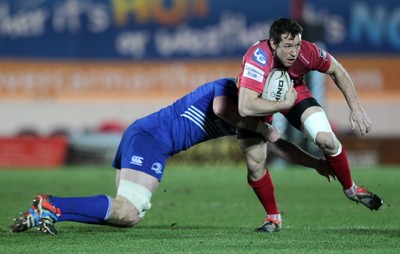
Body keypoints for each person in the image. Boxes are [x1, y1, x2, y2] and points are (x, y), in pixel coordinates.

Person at [10, 78, 334, 235]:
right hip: (150, 138)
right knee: (127, 210)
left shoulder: (255, 117)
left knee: (127, 216)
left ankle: (48, 211)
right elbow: (222, 109)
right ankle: (52, 205)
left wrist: (316, 163)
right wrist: (262, 128)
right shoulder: (230, 89)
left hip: (145, 137)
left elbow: (279, 145)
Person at [236, 17, 383, 233]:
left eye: (296, 44)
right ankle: (274, 219)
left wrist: (356, 107)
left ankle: (351, 189)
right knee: (255, 164)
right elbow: (245, 107)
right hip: (258, 101)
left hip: (294, 94)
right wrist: (280, 105)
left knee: (326, 139)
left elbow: (337, 70)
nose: (294, 52)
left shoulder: (308, 51)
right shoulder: (258, 57)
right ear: (273, 44)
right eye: (287, 46)